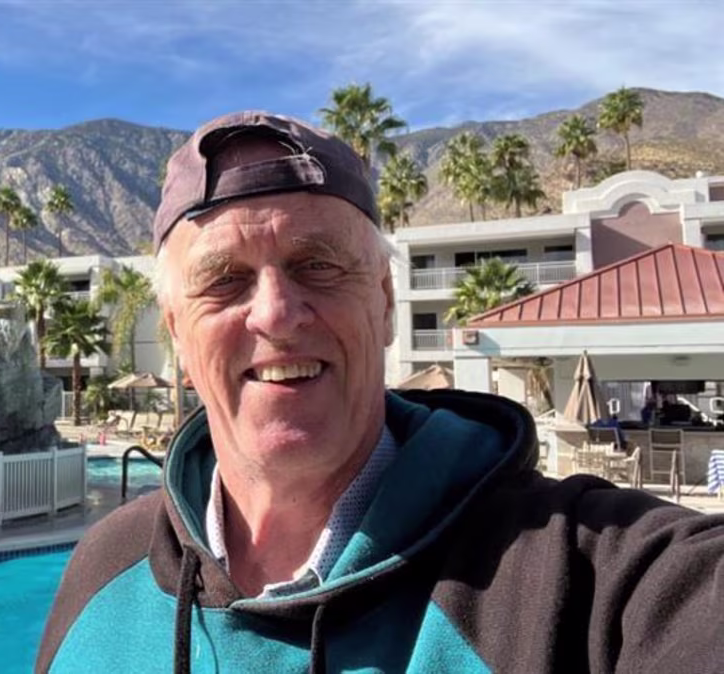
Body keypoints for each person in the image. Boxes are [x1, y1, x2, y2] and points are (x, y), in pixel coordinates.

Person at [35, 111, 724, 673]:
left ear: (386, 302)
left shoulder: (589, 577)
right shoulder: (107, 566)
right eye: (224, 281)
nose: (276, 313)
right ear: (178, 332)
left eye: (318, 265)